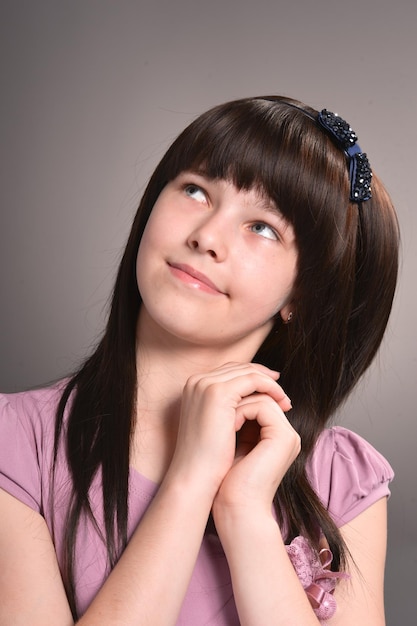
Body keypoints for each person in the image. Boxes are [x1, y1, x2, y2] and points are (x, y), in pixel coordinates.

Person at [0, 95, 399, 625]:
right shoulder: (16, 447)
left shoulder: (343, 478)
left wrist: (245, 512)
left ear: (300, 296)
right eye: (195, 190)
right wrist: (190, 481)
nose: (206, 237)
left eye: (263, 228)